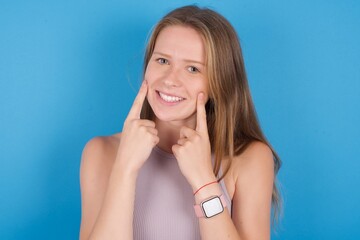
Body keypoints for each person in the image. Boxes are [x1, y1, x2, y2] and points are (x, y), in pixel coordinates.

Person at [79, 5, 281, 240]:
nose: (170, 80)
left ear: (219, 83)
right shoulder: (101, 152)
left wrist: (204, 181)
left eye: (193, 68)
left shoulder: (249, 158)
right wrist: (125, 168)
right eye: (163, 61)